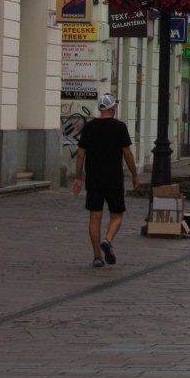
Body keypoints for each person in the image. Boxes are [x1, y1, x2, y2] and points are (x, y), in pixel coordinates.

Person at [71, 93, 139, 268]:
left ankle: (96, 257)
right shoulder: (119, 127)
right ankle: (108, 240)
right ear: (113, 108)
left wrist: (78, 177)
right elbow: (128, 154)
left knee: (95, 217)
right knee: (117, 215)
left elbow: (80, 154)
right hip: (113, 177)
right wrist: (135, 174)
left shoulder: (89, 127)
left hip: (94, 177)